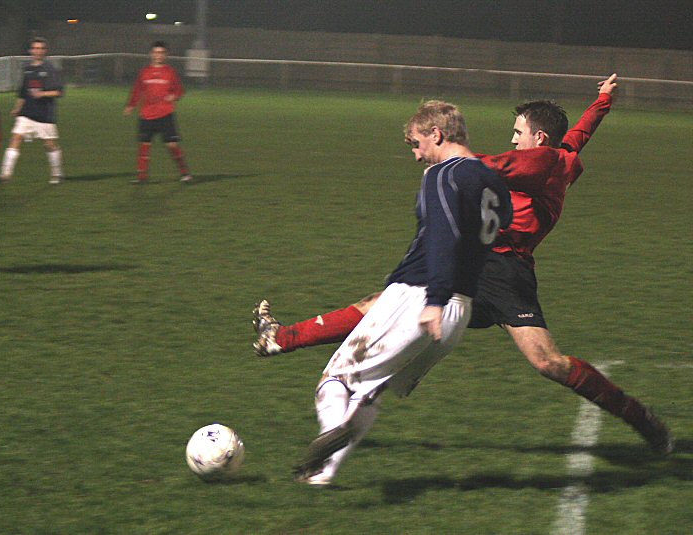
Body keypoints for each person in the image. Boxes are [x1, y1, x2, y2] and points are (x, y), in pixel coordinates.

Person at [255, 74, 675, 468]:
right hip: (488, 260)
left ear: (539, 137)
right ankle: (282, 339)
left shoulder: (541, 161)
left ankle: (638, 416)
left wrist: (445, 160)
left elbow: (491, 166)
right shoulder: (561, 155)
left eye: (518, 133)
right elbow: (577, 136)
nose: (513, 139)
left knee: (548, 362)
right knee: (378, 305)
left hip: (503, 270)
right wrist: (602, 101)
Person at [292, 100, 513, 485]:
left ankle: (331, 433)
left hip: (421, 297)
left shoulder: (441, 175)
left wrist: (434, 301)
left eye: (415, 143)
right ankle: (320, 477)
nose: (415, 155)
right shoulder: (491, 178)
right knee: (371, 393)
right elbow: (503, 223)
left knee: (336, 381)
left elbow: (444, 236)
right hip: (460, 309)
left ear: (436, 135)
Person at [124, 41, 192, 184]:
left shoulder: (170, 72)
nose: (158, 55)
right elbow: (137, 90)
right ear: (151, 54)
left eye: (161, 53)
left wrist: (174, 96)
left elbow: (180, 90)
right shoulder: (144, 72)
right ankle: (142, 177)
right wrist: (131, 105)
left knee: (172, 145)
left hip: (165, 114)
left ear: (165, 55)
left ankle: (185, 173)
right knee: (144, 145)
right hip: (146, 115)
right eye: (156, 52)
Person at [0, 37, 64, 184]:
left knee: (50, 145)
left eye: (41, 48)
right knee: (16, 138)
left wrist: (43, 94)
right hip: (27, 113)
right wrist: (17, 108)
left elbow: (59, 92)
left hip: (44, 114)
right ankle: (5, 174)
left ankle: (57, 174)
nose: (38, 51)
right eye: (35, 48)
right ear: (31, 50)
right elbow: (23, 92)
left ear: (45, 51)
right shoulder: (27, 68)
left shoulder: (50, 69)